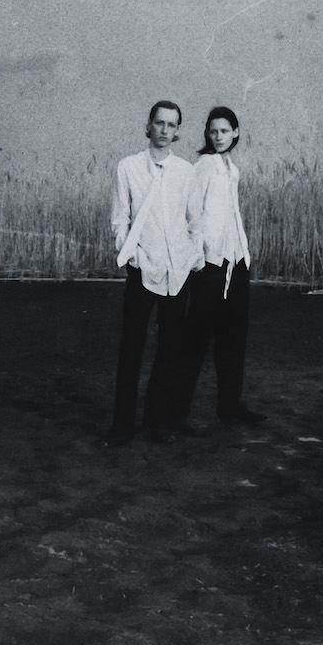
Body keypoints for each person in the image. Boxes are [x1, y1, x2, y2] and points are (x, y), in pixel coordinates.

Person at [106, 100, 204, 447]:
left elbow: (195, 221)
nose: (164, 130)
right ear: (148, 125)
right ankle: (122, 427)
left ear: (177, 131)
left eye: (171, 125)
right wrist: (132, 256)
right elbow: (120, 219)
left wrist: (191, 256)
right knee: (131, 347)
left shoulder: (186, 171)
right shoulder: (128, 167)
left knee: (169, 349)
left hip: (177, 271)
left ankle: (156, 422)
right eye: (159, 123)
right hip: (143, 269)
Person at [177, 106, 266, 427]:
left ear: (236, 133)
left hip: (236, 264)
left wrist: (243, 255)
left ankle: (229, 408)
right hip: (211, 266)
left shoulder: (233, 169)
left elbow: (231, 214)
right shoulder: (204, 165)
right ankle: (177, 415)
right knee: (196, 340)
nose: (218, 137)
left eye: (224, 131)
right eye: (213, 131)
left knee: (233, 339)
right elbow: (192, 213)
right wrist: (199, 258)